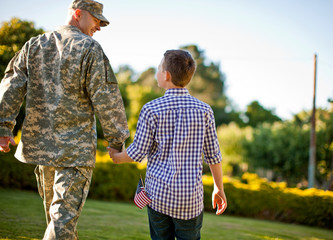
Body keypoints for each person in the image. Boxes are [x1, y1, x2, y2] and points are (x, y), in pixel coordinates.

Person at [0, 0, 129, 239]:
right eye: (96, 20)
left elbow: (11, 84)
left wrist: (3, 126)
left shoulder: (35, 44)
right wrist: (117, 140)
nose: (99, 27)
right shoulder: (90, 49)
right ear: (78, 14)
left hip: (42, 150)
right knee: (61, 224)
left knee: (58, 221)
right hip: (74, 152)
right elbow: (107, 97)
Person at [108, 49, 227, 240]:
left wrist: (117, 157)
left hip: (158, 196)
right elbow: (213, 155)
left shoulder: (151, 109)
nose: (156, 72)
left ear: (167, 75)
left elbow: (137, 152)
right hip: (190, 199)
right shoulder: (205, 111)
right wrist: (218, 188)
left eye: (158, 68)